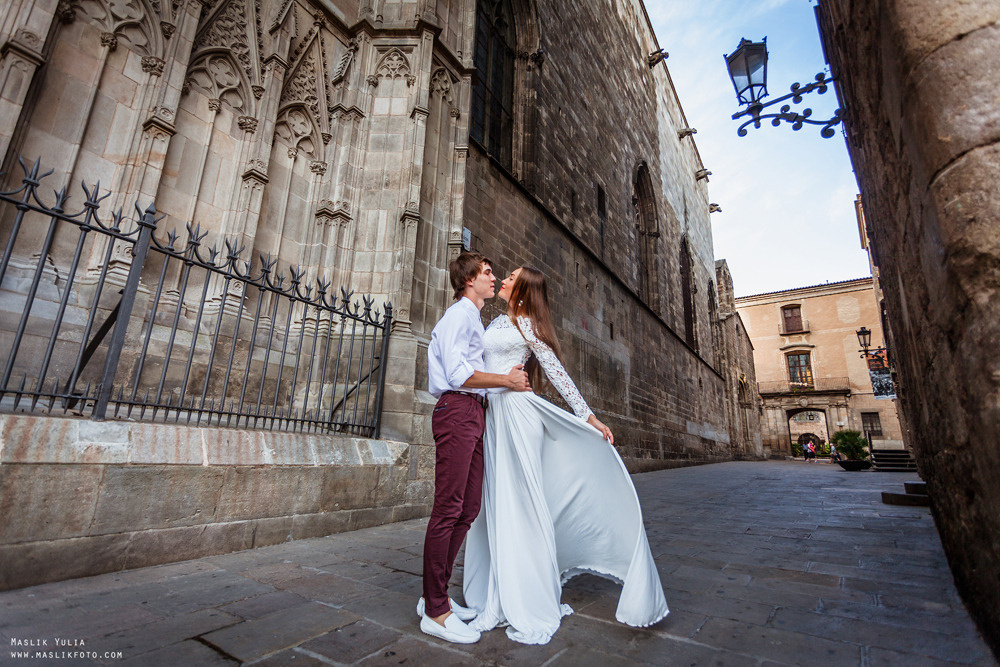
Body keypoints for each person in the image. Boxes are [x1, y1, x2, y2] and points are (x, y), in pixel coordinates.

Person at [463, 266, 669, 645]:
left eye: (511, 277)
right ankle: (494, 590)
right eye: (504, 275)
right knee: (495, 501)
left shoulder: (526, 324)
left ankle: (526, 597)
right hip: (495, 417)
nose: (504, 280)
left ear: (523, 290)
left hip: (518, 416)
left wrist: (588, 416)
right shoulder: (495, 322)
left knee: (521, 502)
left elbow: (557, 373)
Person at [417, 252, 531, 645]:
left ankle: (436, 595)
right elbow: (458, 374)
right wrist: (507, 380)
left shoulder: (474, 319)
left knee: (468, 508)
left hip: (474, 412)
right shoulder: (458, 316)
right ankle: (435, 611)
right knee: (448, 508)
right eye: (487, 273)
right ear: (469, 280)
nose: (493, 277)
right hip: (457, 410)